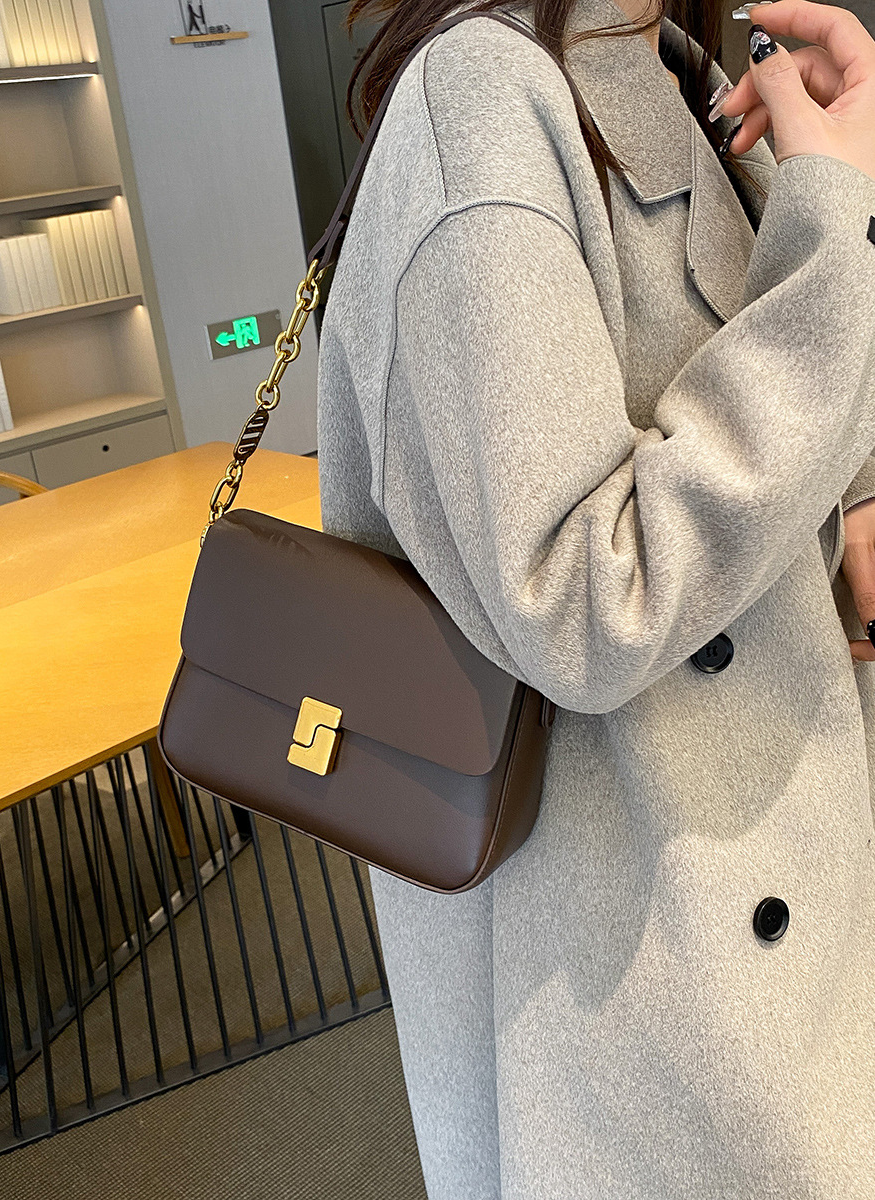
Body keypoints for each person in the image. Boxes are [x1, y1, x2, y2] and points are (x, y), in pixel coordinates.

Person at [315, 0, 875, 1194]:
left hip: (749, 901)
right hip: (640, 984)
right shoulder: (480, 102)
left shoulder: (670, 67)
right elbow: (579, 598)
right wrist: (839, 231)